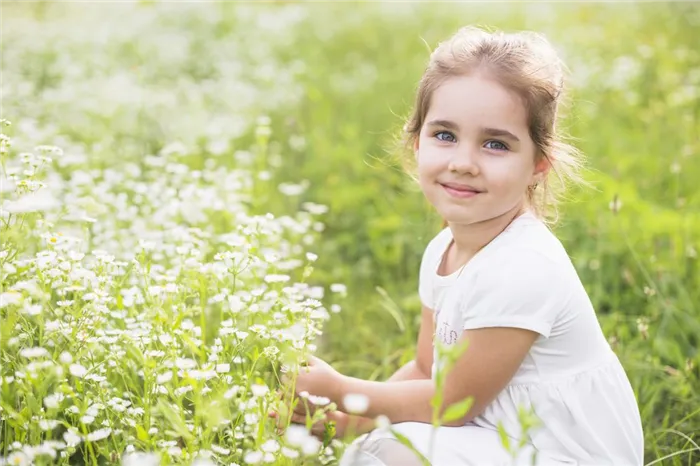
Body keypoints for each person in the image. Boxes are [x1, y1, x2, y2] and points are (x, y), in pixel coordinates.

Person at [278, 26, 644, 465]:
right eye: (445, 135)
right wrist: (340, 414)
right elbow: (424, 371)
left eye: (495, 144)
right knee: (375, 449)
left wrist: (343, 396)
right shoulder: (443, 250)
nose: (463, 163)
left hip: (562, 453)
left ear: (538, 165)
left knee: (387, 452)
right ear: (417, 143)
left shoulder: (523, 267)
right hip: (499, 437)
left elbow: (452, 403)